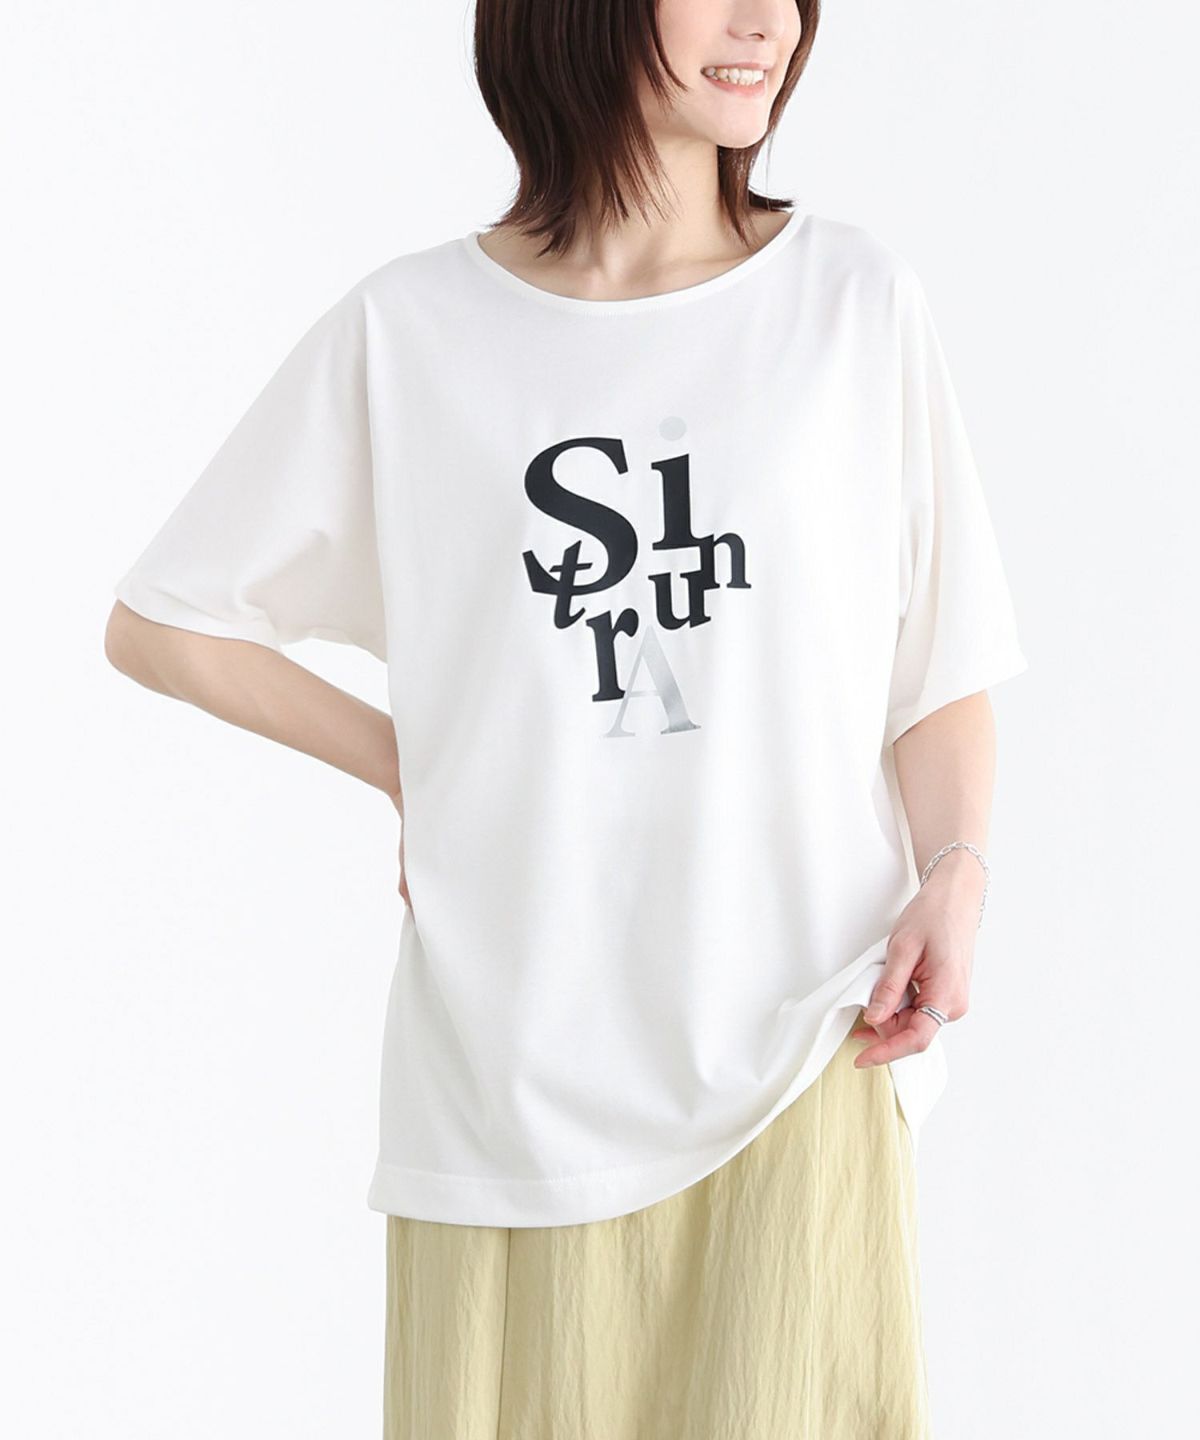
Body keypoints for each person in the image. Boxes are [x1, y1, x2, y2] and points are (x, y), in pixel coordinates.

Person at [105, 1, 1028, 1435]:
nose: (765, 23)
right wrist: (417, 771)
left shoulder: (852, 302)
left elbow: (939, 658)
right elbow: (166, 622)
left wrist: (956, 871)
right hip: (509, 1079)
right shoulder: (414, 333)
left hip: (801, 1042)